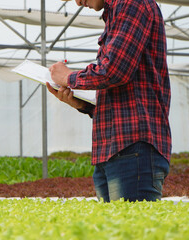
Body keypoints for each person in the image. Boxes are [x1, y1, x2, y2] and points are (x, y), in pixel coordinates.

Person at [47, 0, 171, 202]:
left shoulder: (133, 4)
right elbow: (122, 92)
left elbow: (115, 70)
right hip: (112, 150)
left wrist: (69, 77)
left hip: (132, 148)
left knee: (132, 230)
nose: (78, 2)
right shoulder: (115, 12)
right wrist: (82, 104)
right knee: (113, 230)